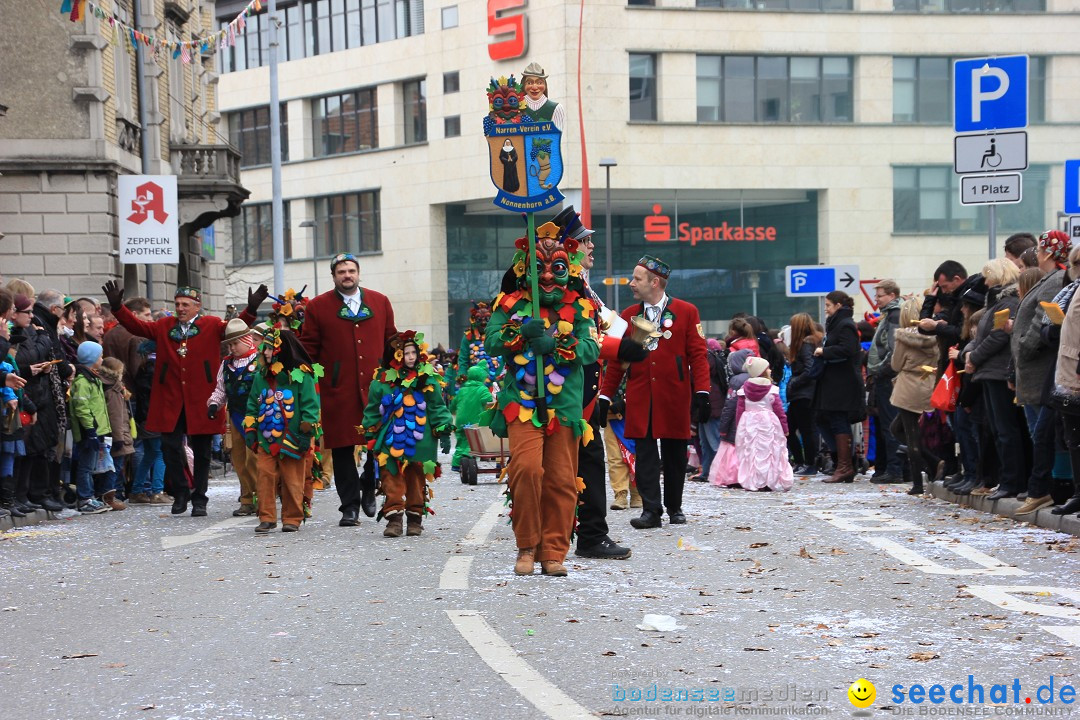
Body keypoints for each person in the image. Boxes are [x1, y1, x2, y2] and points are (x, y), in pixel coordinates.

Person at [485, 218, 600, 576]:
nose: (548, 275)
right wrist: (519, 334)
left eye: (557, 267)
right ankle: (526, 545)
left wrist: (557, 344)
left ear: (570, 269)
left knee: (561, 480)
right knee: (526, 470)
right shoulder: (508, 304)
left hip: (564, 405)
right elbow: (490, 342)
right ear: (524, 269)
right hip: (521, 403)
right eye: (539, 267)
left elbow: (591, 349)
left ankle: (553, 551)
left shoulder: (582, 307)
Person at [103, 280, 268, 517]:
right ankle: (181, 492)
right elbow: (137, 326)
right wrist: (118, 307)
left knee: (201, 451)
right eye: (177, 304)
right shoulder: (164, 325)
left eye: (185, 304)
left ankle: (199, 498)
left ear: (197, 306)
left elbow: (235, 329)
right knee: (170, 447)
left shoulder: (210, 324)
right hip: (170, 398)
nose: (180, 308)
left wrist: (251, 309)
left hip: (201, 398)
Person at [560, 206, 647, 561]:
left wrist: (626, 345)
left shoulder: (581, 284)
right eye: (584, 241)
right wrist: (621, 347)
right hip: (571, 394)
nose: (591, 246)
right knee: (582, 465)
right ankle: (584, 535)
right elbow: (582, 341)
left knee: (585, 464)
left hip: (586, 393)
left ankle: (580, 532)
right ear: (569, 247)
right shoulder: (568, 286)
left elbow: (598, 333)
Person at [598, 255, 711, 529]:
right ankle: (651, 510)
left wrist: (703, 392)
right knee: (645, 454)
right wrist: (604, 395)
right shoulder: (627, 316)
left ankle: (675, 507)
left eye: (637, 278)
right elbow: (617, 361)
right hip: (641, 395)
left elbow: (698, 355)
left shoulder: (686, 312)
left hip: (674, 394)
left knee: (674, 453)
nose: (631, 283)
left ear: (655, 282)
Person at [299, 253, 397, 527]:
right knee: (342, 448)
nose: (347, 275)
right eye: (341, 271)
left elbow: (392, 341)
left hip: (376, 388)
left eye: (351, 271)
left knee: (378, 444)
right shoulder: (318, 307)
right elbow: (309, 349)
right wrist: (306, 377)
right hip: (337, 390)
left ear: (358, 273)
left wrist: (396, 374)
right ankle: (349, 506)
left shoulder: (379, 301)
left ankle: (369, 483)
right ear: (334, 276)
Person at [361, 331, 453, 538]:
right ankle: (394, 519)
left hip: (420, 440)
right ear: (395, 356)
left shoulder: (427, 380)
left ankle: (414, 519)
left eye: (414, 352)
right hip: (390, 439)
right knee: (390, 479)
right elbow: (373, 410)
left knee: (415, 480)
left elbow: (437, 407)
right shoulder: (381, 382)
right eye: (406, 353)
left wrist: (444, 428)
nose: (411, 357)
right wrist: (370, 432)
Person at [1011, 230, 1069, 517]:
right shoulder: (1051, 279)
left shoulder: (1056, 280)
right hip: (1033, 367)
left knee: (1043, 432)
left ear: (1047, 252)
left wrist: (1024, 346)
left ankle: (1048, 487)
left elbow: (1040, 320)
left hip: (1039, 366)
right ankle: (1045, 486)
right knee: (1040, 431)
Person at [244, 328, 321, 534]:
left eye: (269, 348)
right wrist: (251, 428)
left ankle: (292, 517)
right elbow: (252, 403)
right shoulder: (261, 377)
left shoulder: (301, 376)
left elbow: (310, 406)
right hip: (266, 438)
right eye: (264, 348)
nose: (265, 352)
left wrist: (306, 432)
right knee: (264, 476)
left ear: (281, 350)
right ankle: (267, 517)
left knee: (292, 480)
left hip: (292, 439)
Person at [965, 258, 1023, 501]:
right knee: (999, 429)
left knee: (1005, 429)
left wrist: (974, 357)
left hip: (997, 371)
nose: (985, 281)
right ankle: (1006, 479)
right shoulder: (998, 301)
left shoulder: (1006, 302)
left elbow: (997, 336)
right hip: (990, 370)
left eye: (987, 275)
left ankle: (1011, 480)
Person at [886, 297, 940, 496]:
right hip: (929, 383)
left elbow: (896, 364)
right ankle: (933, 464)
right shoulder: (936, 335)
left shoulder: (903, 337)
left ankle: (920, 480)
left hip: (908, 386)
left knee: (911, 435)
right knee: (899, 428)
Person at [207, 318, 260, 517]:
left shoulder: (260, 360)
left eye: (235, 343)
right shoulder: (226, 364)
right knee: (239, 461)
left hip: (257, 418)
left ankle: (262, 498)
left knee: (254, 460)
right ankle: (247, 499)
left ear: (247, 340)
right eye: (229, 344)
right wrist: (214, 404)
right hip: (236, 417)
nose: (232, 348)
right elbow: (220, 389)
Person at [813, 290, 865, 484]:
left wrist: (823, 351)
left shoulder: (845, 324)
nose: (825, 309)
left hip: (842, 383)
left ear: (838, 306)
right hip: (834, 382)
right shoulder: (837, 324)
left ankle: (845, 466)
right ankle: (842, 463)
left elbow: (849, 349)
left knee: (838, 420)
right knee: (827, 419)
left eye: (828, 305)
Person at [1048, 246, 1080, 517]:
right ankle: (1079, 494)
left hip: (1076, 369)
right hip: (1069, 370)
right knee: (1073, 437)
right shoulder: (1074, 288)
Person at [733, 356, 792, 492]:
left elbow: (740, 411)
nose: (770, 370)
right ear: (762, 372)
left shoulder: (744, 390)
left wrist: (739, 428)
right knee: (770, 450)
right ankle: (769, 479)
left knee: (751, 451)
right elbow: (779, 410)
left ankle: (753, 479)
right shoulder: (771, 390)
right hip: (769, 423)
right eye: (768, 368)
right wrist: (785, 428)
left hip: (749, 423)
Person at [67, 341, 111, 515]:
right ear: (92, 359)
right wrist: (90, 431)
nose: (102, 359)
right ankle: (85, 498)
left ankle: (90, 496)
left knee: (92, 465)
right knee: (86, 466)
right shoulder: (83, 381)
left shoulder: (93, 378)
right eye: (100, 356)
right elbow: (82, 407)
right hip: (88, 431)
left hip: (96, 430)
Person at [867, 281, 904, 483]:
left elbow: (893, 347)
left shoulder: (895, 314)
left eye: (880, 296)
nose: (877, 299)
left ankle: (895, 469)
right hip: (884, 375)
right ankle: (889, 467)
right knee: (887, 423)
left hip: (887, 376)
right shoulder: (890, 314)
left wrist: (880, 370)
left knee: (890, 424)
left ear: (891, 295)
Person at [785, 313, 821, 476]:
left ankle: (808, 463)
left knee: (804, 429)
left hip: (803, 394)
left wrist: (795, 382)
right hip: (801, 393)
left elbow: (809, 369)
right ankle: (802, 461)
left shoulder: (806, 344)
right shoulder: (808, 343)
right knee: (791, 428)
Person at [98, 357, 132, 510]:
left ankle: (110, 493)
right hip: (117, 434)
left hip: (114, 432)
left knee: (113, 466)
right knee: (114, 466)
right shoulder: (113, 390)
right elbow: (116, 415)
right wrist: (119, 438)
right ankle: (108, 495)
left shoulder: (112, 387)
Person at [451, 363, 492, 471]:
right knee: (472, 441)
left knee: (461, 441)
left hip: (460, 420)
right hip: (474, 420)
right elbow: (489, 402)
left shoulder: (463, 390)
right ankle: (467, 461)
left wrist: (452, 411)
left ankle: (456, 463)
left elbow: (453, 404)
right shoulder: (482, 390)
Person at [520, 62, 566, 131]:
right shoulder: (515, 108)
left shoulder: (556, 109)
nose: (534, 87)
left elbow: (556, 137)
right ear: (523, 85)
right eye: (529, 83)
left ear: (545, 85)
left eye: (539, 83)